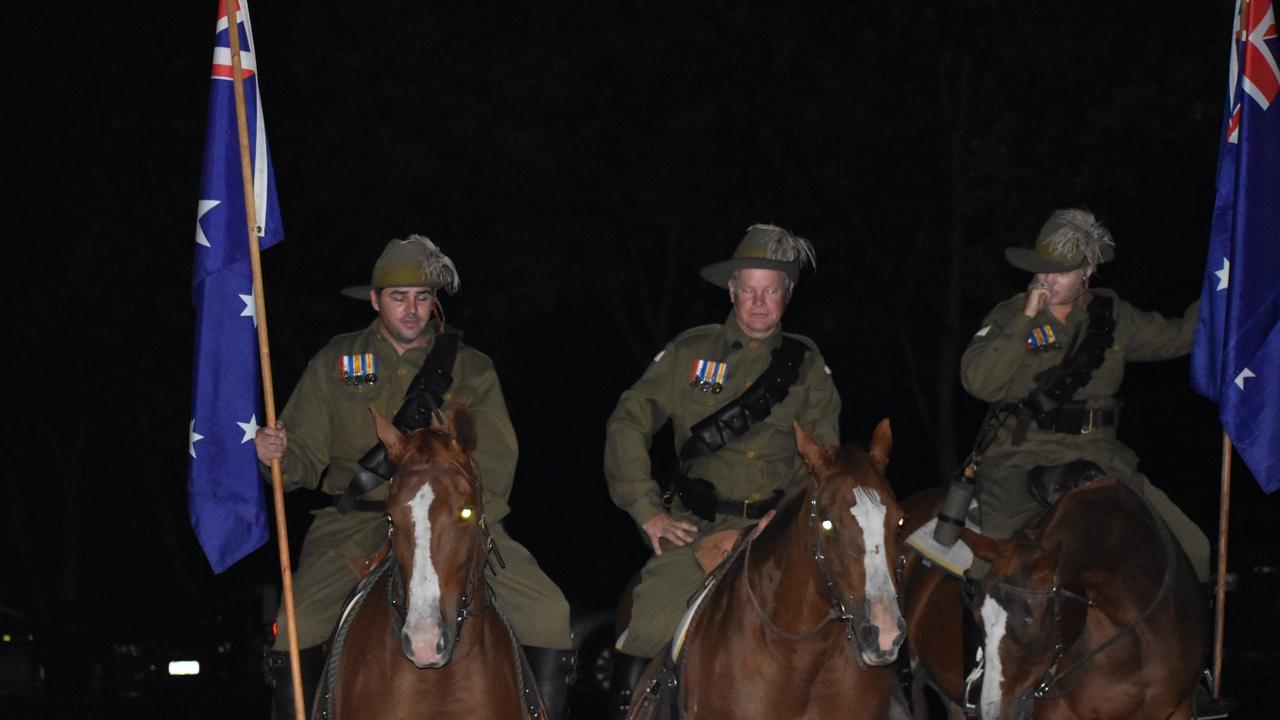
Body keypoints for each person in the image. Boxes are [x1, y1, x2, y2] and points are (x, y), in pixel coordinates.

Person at [256, 235, 575, 719]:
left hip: (453, 518)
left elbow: (497, 453)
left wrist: (463, 509)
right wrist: (274, 453)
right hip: (356, 520)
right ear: (375, 300)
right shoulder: (336, 362)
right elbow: (300, 456)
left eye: (422, 298)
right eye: (399, 298)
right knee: (294, 623)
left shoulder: (471, 368)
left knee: (551, 616)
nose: (411, 310)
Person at [602, 224, 841, 718]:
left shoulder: (808, 365)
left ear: (787, 294)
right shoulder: (691, 353)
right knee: (646, 623)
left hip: (782, 528)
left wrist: (790, 513)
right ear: (731, 291)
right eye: (748, 290)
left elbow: (825, 457)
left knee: (863, 612)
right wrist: (647, 510)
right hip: (701, 527)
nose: (758, 302)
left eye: (770, 291)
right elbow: (629, 420)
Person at [960, 208, 1211, 582]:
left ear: (1087, 272)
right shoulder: (1009, 315)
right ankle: (980, 638)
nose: (1047, 279)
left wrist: (1227, 294)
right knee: (996, 560)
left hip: (1099, 455)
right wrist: (1024, 319)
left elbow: (1178, 336)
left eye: (1060, 270)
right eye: (1042, 268)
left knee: (1194, 549)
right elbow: (978, 382)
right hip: (1019, 458)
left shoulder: (1113, 318)